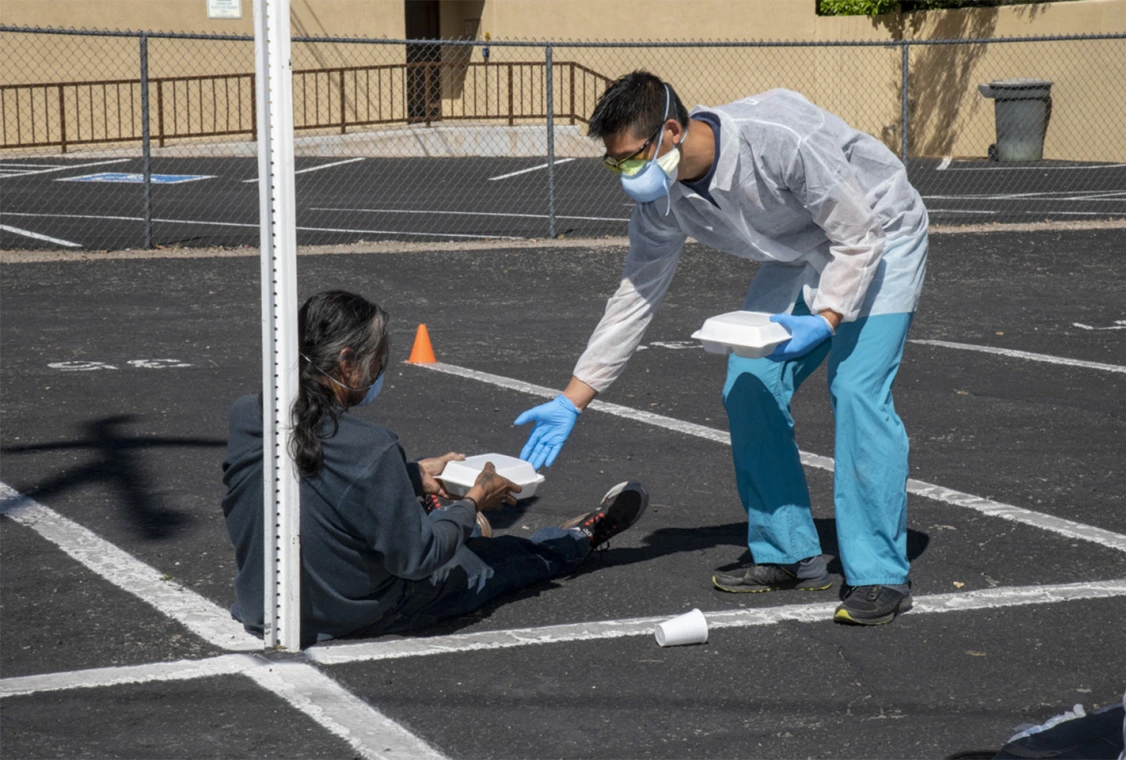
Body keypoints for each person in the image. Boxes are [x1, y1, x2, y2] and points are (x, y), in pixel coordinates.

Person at [513, 71, 928, 625]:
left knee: (855, 388)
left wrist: (827, 319)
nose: (628, 174)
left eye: (632, 158)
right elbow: (636, 295)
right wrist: (572, 399)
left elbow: (858, 236)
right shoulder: (661, 200)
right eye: (615, 164)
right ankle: (788, 554)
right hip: (797, 254)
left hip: (880, 232)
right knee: (749, 386)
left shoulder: (780, 137)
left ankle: (880, 573)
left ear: (673, 130)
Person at [222, 290, 648, 646]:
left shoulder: (250, 415)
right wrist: (472, 503)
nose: (381, 372)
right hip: (355, 613)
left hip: (266, 608)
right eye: (379, 360)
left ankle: (457, 521)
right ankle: (577, 538)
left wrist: (410, 476)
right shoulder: (371, 446)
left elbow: (319, 480)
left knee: (444, 525)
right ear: (348, 362)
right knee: (499, 561)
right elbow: (417, 559)